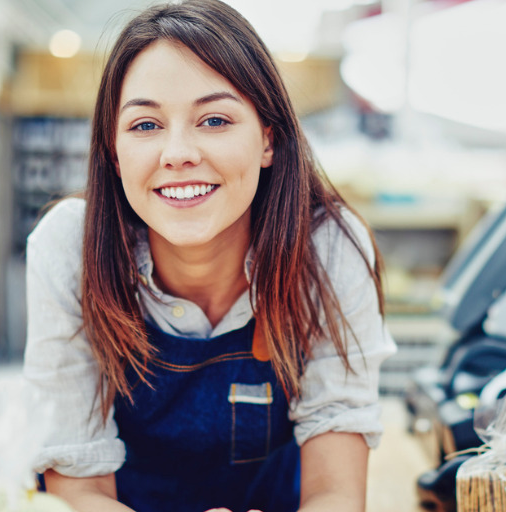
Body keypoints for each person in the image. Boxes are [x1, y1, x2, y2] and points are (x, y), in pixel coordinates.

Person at [22, 1, 396, 510]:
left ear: (268, 138)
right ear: (113, 151)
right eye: (145, 125)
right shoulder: (70, 247)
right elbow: (78, 490)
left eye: (214, 119)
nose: (177, 153)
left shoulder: (327, 249)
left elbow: (336, 492)